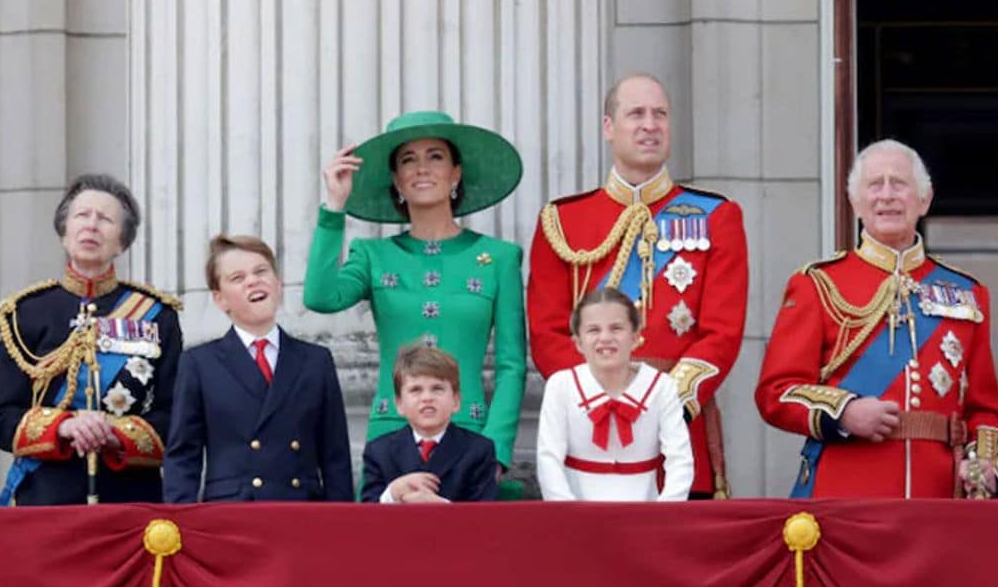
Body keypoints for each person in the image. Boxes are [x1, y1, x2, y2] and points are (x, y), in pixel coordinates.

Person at [528, 73, 747, 498]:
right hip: (586, 434)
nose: (650, 125)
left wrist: (660, 404)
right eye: (637, 114)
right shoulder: (562, 221)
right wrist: (592, 397)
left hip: (677, 433)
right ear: (609, 128)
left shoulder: (717, 216)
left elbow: (722, 333)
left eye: (660, 114)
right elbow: (546, 331)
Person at [755, 140, 998, 499]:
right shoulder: (817, 284)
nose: (887, 195)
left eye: (899, 184)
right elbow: (775, 393)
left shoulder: (968, 293)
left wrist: (981, 462)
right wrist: (844, 412)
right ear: (855, 202)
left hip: (937, 495)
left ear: (925, 199)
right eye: (875, 185)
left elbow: (986, 410)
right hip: (846, 493)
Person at [305, 110, 526, 486]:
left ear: (456, 173)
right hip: (392, 437)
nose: (422, 168)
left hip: (470, 435)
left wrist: (497, 449)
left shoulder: (498, 258)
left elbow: (511, 364)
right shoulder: (373, 256)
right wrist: (334, 207)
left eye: (435, 156)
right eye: (409, 160)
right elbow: (321, 296)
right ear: (397, 180)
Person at [0, 174, 182, 505]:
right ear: (64, 232)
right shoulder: (24, 313)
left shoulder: (158, 315)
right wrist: (64, 427)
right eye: (82, 216)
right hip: (46, 496)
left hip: (130, 498)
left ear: (122, 241)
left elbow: (175, 415)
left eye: (105, 219)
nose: (92, 226)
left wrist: (114, 433)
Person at [164, 234, 353, 502]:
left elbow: (336, 456)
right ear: (220, 299)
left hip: (302, 509)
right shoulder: (199, 363)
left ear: (278, 284)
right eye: (237, 278)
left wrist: (340, 524)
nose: (253, 281)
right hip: (231, 514)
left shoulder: (315, 360)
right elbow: (183, 456)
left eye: (261, 271)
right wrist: (181, 524)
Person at [535, 288, 693, 502]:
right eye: (593, 330)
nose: (605, 338)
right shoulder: (561, 386)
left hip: (646, 517)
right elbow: (549, 459)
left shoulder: (661, 387)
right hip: (576, 517)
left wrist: (663, 515)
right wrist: (566, 513)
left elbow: (680, 460)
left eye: (616, 328)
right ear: (579, 342)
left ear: (636, 337)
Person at [360, 346, 500, 503]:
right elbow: (367, 516)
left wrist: (442, 508)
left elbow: (485, 517)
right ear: (399, 404)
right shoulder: (379, 451)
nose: (427, 398)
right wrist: (392, 493)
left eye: (437, 389)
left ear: (456, 401)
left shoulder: (479, 450)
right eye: (416, 390)